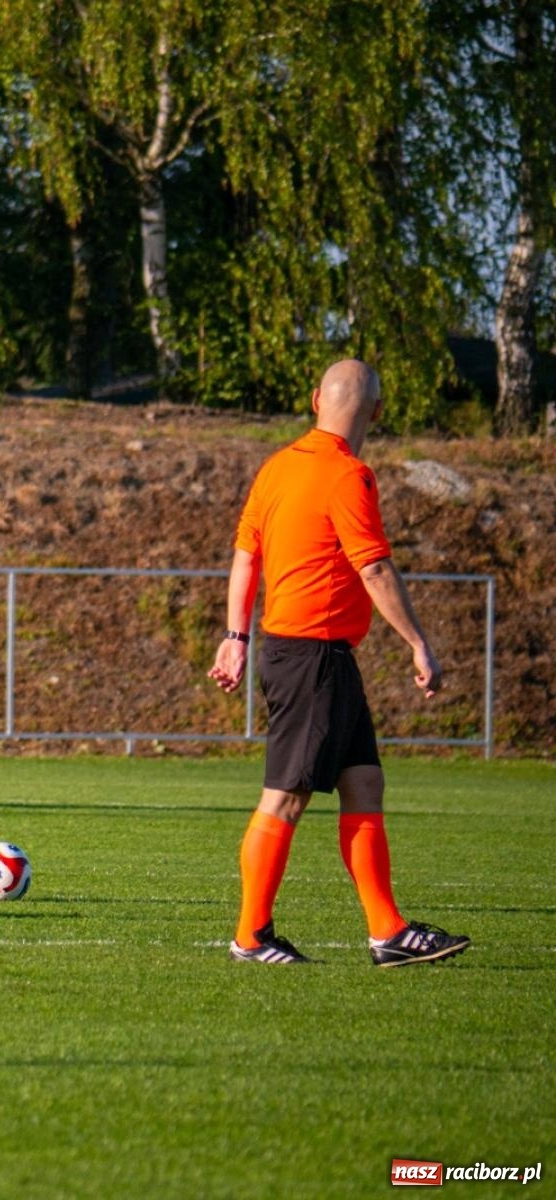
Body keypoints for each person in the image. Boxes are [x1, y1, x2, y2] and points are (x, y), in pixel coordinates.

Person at [208, 358, 470, 967]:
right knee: (286, 796)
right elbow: (373, 568)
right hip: (310, 656)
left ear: (313, 399)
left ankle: (388, 932)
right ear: (376, 411)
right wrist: (418, 641)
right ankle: (250, 936)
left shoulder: (277, 467)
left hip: (313, 655)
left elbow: (247, 557)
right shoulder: (349, 475)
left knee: (363, 782)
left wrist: (235, 635)